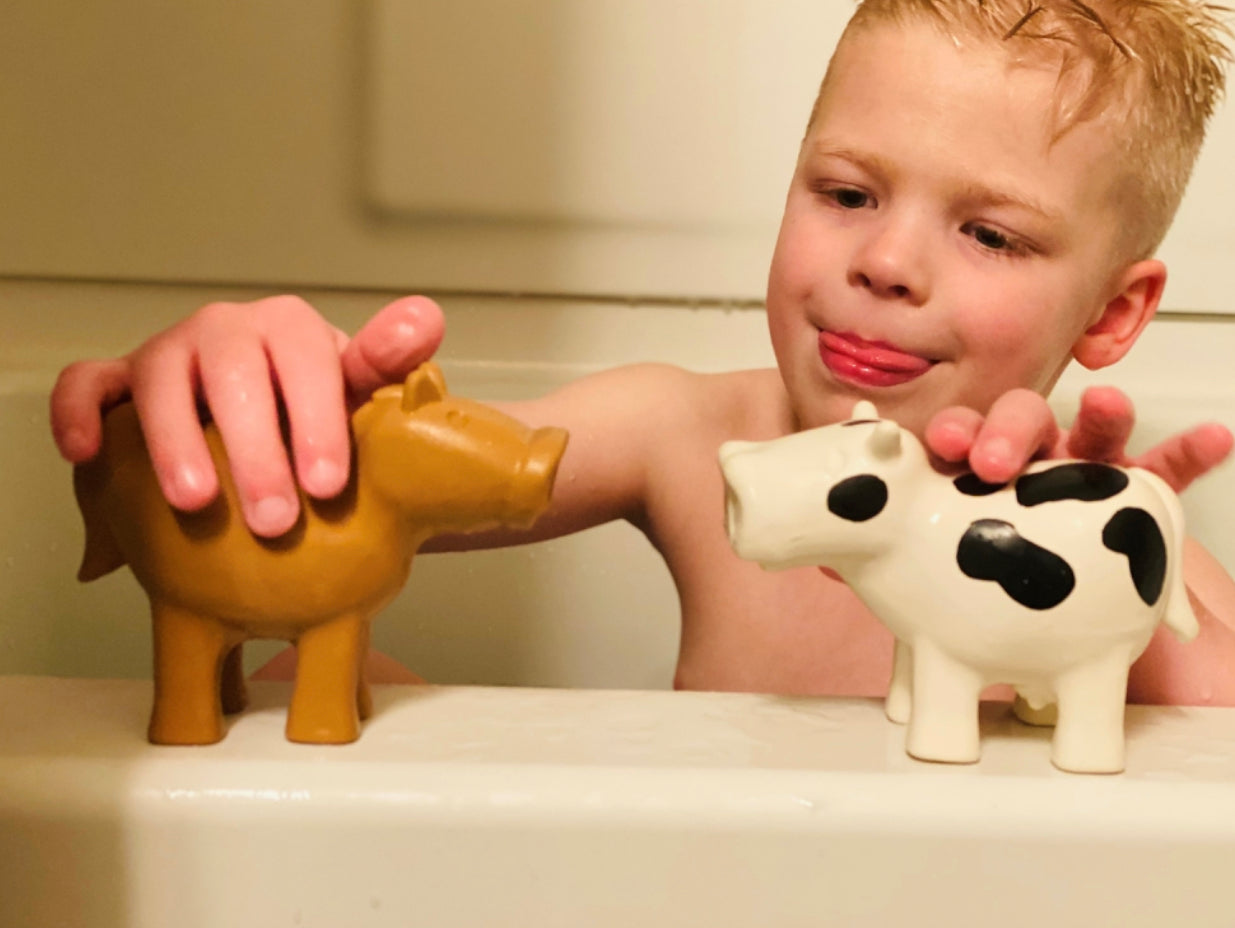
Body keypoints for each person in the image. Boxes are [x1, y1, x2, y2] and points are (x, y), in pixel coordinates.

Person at [50, 0, 1235, 703]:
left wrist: (1133, 618)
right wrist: (237, 391)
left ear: (1111, 314)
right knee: (313, 694)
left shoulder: (1108, 537)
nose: (886, 264)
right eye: (844, 191)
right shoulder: (689, 435)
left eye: (986, 232)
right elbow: (394, 484)